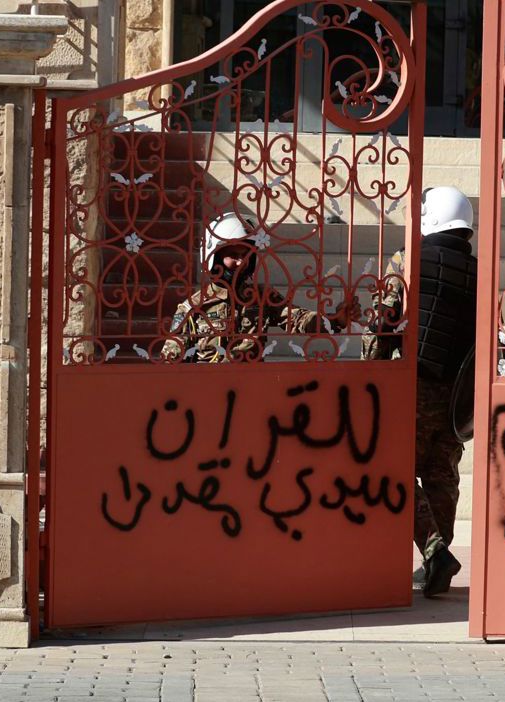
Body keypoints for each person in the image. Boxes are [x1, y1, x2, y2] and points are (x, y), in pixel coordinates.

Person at [365, 186, 475, 599]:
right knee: (441, 475)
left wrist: (372, 370)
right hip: (457, 398)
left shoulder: (408, 262)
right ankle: (438, 562)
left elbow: (384, 322)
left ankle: (434, 552)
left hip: (415, 385)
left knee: (396, 468)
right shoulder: (479, 271)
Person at [161, 212, 357, 362]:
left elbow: (296, 319)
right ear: (216, 257)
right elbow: (171, 360)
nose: (241, 262)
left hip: (253, 392)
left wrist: (334, 320)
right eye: (233, 255)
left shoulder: (261, 297)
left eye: (245, 255)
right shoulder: (194, 307)